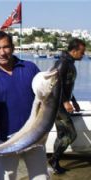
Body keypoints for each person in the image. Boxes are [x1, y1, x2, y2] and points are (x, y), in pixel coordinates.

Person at [0, 31, 49, 180]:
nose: (2, 52)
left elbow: (45, 98)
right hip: (6, 140)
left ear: (12, 47)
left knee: (42, 178)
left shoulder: (30, 68)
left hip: (34, 136)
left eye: (6, 47)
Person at [48, 38, 86, 174]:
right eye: (82, 52)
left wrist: (73, 100)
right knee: (71, 134)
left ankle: (55, 163)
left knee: (62, 134)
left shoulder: (70, 62)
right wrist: (65, 101)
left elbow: (67, 85)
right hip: (58, 105)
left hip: (62, 103)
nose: (83, 55)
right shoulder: (62, 63)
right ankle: (54, 159)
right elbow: (55, 84)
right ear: (74, 51)